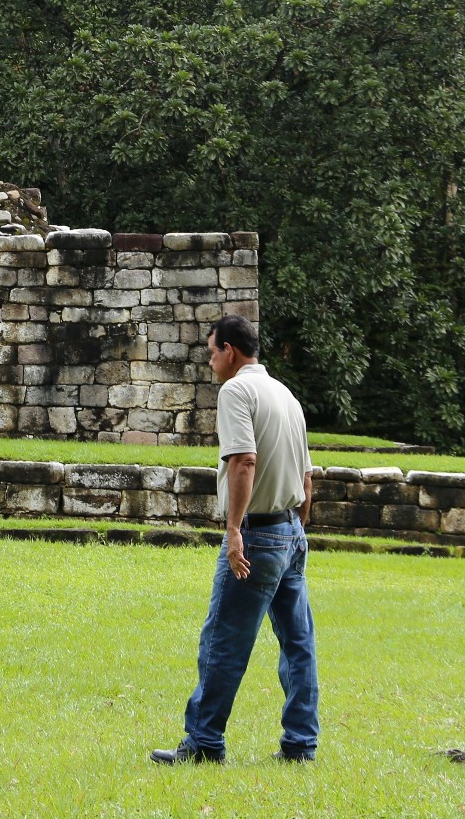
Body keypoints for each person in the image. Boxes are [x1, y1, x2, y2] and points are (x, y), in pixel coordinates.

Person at [150, 313, 319, 766]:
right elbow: (307, 475)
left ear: (230, 350)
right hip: (289, 533)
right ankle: (301, 745)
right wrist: (297, 528)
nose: (209, 362)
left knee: (223, 640)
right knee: (298, 643)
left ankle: (204, 743)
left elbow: (244, 461)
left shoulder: (236, 391)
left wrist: (234, 532)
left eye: (211, 352)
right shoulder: (285, 395)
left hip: (258, 535)